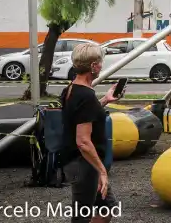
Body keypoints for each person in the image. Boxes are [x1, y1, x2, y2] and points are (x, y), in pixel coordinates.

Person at [60, 44, 122, 223]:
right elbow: (83, 142)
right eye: (100, 63)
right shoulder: (85, 95)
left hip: (84, 163)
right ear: (94, 66)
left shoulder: (73, 88)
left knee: (106, 208)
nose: (102, 66)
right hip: (84, 164)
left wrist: (105, 100)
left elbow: (83, 115)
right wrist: (102, 171)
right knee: (82, 217)